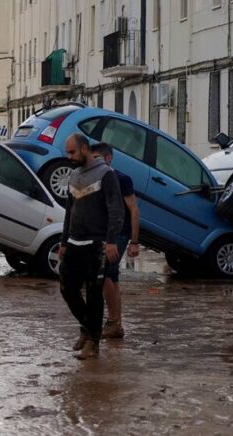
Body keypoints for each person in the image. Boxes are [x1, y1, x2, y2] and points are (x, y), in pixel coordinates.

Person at [59, 133, 124, 360]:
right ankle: (87, 328)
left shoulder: (106, 175)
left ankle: (93, 343)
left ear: (85, 149)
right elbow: (69, 211)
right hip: (74, 244)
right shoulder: (74, 176)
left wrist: (111, 241)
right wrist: (64, 242)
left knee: (95, 294)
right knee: (67, 288)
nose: (69, 157)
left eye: (72, 152)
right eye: (68, 152)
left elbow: (116, 209)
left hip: (97, 245)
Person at [91, 142, 140, 339]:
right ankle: (116, 324)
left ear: (108, 158)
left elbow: (134, 210)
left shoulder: (122, 179)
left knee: (104, 274)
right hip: (103, 234)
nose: (93, 162)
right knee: (113, 277)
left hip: (119, 234)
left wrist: (134, 242)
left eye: (97, 158)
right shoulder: (94, 179)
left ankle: (112, 322)